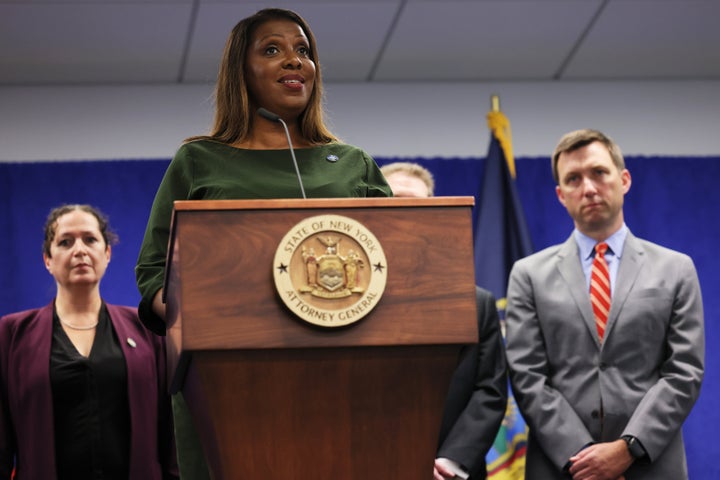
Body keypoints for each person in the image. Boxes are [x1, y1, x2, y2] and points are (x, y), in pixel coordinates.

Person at [135, 8, 391, 478]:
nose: (294, 61)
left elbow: (397, 261)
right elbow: (154, 272)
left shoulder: (351, 164)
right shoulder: (198, 161)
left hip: (348, 380)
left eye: (303, 51)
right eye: (272, 50)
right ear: (242, 71)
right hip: (229, 385)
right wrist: (199, 315)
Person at [504, 129, 704, 479]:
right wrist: (584, 458)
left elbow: (684, 371)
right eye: (574, 179)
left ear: (624, 180)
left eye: (599, 172)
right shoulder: (528, 274)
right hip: (563, 468)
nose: (589, 188)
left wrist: (628, 448)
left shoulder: (676, 269)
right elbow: (528, 377)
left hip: (649, 464)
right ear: (560, 195)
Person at [0, 204, 178, 480]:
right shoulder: (11, 334)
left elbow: (171, 433)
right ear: (47, 259)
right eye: (65, 242)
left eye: (90, 239)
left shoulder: (148, 330)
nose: (79, 250)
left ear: (107, 253)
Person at [382, 162, 507, 479]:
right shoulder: (342, 303)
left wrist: (451, 461)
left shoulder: (476, 303)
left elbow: (489, 392)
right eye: (392, 200)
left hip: (452, 472)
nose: (404, 215)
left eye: (416, 205)